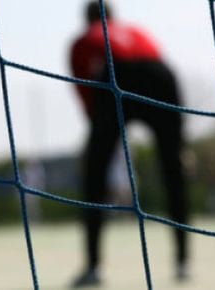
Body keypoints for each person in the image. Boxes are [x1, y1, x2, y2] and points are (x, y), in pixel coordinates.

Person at [69, 1, 189, 287]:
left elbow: (84, 86)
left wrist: (95, 135)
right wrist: (180, 142)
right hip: (161, 75)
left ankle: (93, 266)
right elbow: (163, 69)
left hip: (117, 75)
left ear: (87, 20)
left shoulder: (84, 38)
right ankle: (183, 261)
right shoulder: (137, 31)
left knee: (94, 178)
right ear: (113, 16)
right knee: (173, 170)